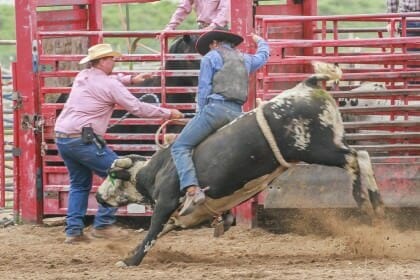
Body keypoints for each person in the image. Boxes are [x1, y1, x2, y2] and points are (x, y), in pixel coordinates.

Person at [55, 43, 183, 244]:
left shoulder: (83, 76)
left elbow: (111, 80)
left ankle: (74, 230)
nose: (115, 61)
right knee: (120, 174)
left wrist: (132, 79)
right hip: (83, 139)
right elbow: (137, 107)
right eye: (112, 58)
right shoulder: (109, 85)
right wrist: (168, 113)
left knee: (79, 184)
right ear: (103, 61)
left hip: (63, 137)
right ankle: (103, 224)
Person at [170, 30, 270, 215]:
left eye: (210, 45)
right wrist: (260, 41)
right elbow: (263, 56)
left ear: (215, 43)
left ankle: (192, 189)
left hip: (214, 110)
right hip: (236, 115)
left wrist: (200, 113)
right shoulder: (246, 59)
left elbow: (204, 88)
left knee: (180, 146)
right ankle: (225, 203)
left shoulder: (210, 57)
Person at [163, 0, 230, 31]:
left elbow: (225, 10)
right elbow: (183, 8)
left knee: (218, 55)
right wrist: (170, 27)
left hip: (219, 29)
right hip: (202, 28)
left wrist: (213, 26)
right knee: (179, 47)